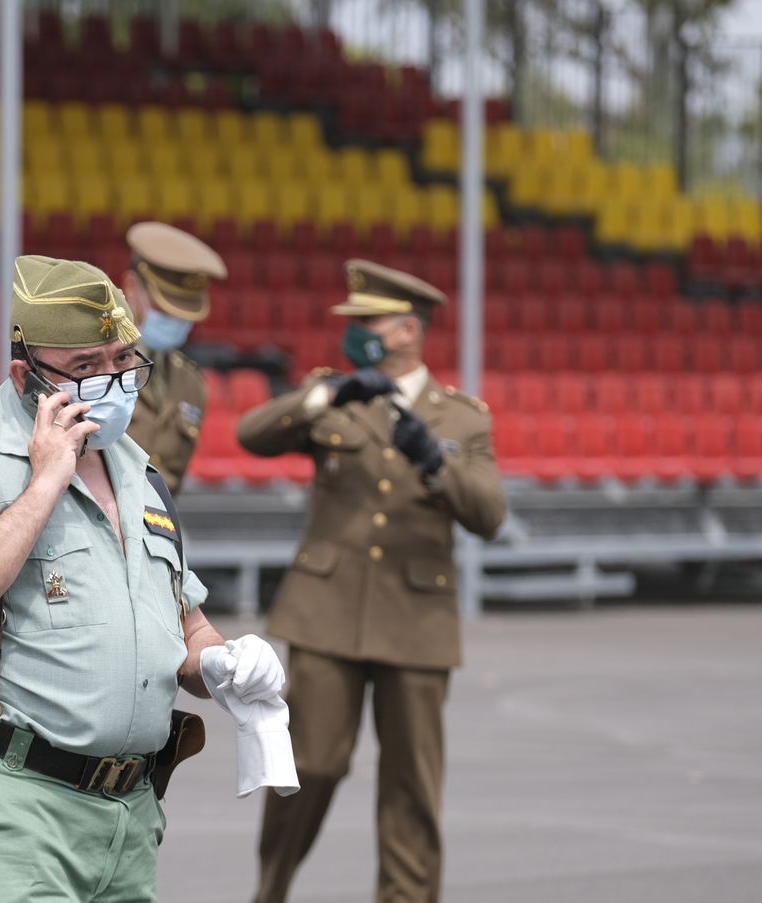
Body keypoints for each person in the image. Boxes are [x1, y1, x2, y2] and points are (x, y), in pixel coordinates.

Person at [0, 254, 285, 901]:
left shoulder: (135, 468)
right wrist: (46, 477)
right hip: (5, 800)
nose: (114, 380)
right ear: (24, 375)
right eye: (85, 368)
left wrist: (222, 663)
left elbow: (183, 620)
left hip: (126, 817)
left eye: (123, 360)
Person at [238, 260, 507, 902]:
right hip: (327, 613)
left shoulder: (461, 419)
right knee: (309, 765)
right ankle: (269, 890)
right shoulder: (333, 392)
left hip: (415, 620)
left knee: (411, 783)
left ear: (409, 330)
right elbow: (253, 435)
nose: (356, 332)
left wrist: (434, 461)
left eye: (369, 322)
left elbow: (490, 514)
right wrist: (327, 396)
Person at [119, 221, 227, 494]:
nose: (176, 321)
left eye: (184, 313)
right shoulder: (90, 368)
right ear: (131, 289)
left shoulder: (191, 384)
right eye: (164, 309)